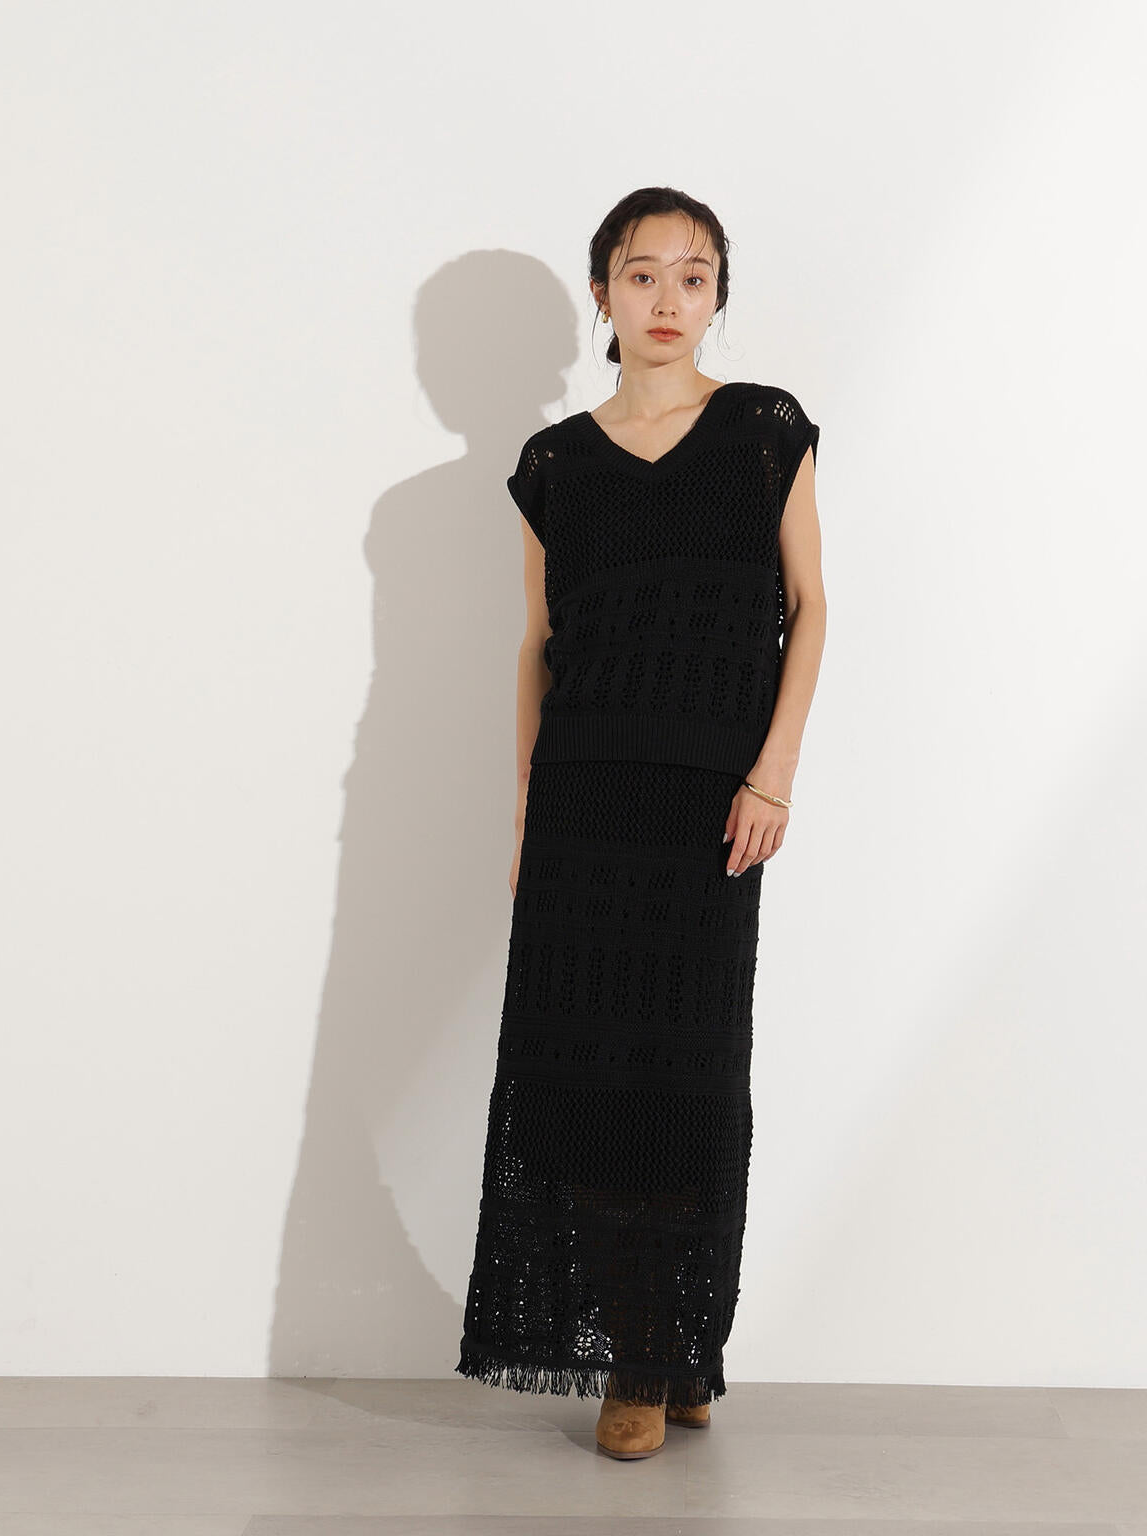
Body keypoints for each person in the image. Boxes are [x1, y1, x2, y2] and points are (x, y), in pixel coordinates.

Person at [455, 186, 827, 1460]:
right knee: (582, 1083)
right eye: (641, 272)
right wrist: (524, 814)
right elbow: (537, 645)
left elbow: (808, 608)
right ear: (602, 293)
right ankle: (639, 1355)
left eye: (692, 274)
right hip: (581, 804)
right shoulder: (553, 465)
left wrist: (771, 774)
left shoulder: (763, 430)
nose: (667, 298)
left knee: (687, 1077)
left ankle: (677, 1347)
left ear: (717, 295)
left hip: (706, 808)